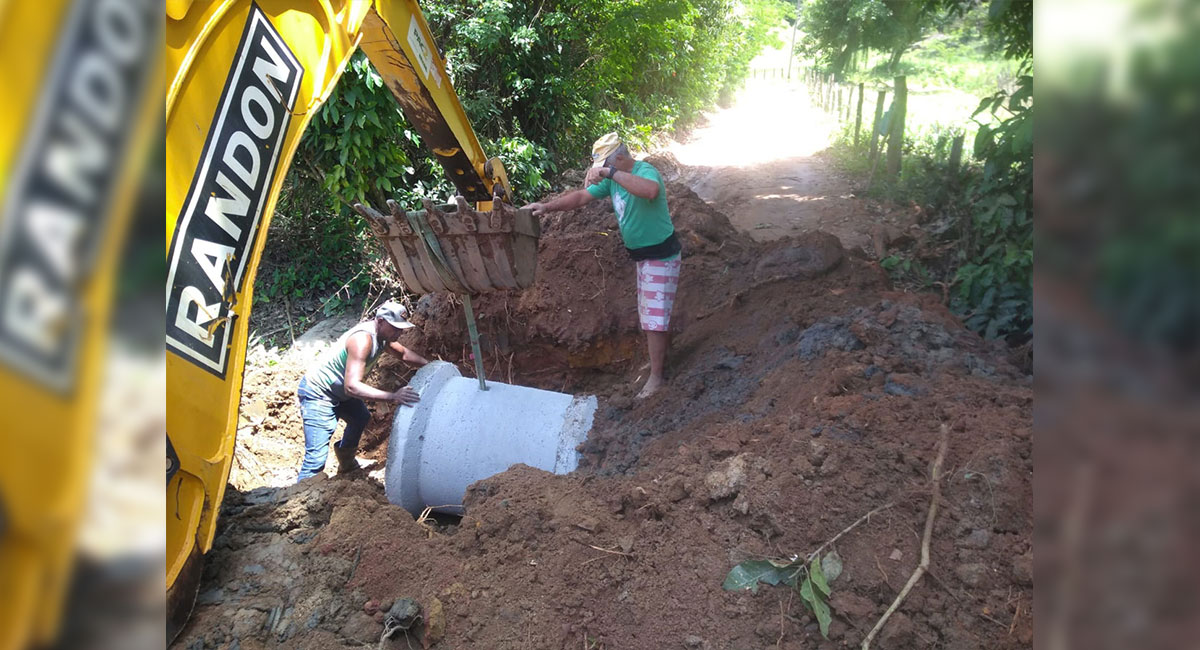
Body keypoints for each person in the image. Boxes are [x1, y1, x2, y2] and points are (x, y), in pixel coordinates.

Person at [524, 133, 681, 398]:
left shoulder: (644, 171)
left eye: (605, 164)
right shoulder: (614, 180)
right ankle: (660, 362)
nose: (602, 172)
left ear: (619, 158)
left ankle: (656, 377)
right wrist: (547, 207)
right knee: (652, 314)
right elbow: (581, 198)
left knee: (654, 319)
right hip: (644, 258)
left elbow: (650, 190)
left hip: (660, 256)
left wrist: (610, 173)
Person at [295, 300, 429, 480]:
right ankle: (298, 498)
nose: (400, 332)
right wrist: (393, 396)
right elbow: (352, 387)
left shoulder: (383, 337)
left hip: (340, 392)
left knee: (360, 417)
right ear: (380, 321)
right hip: (319, 393)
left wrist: (432, 365)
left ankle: (347, 465)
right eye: (395, 328)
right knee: (316, 459)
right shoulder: (362, 340)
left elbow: (404, 354)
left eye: (401, 328)